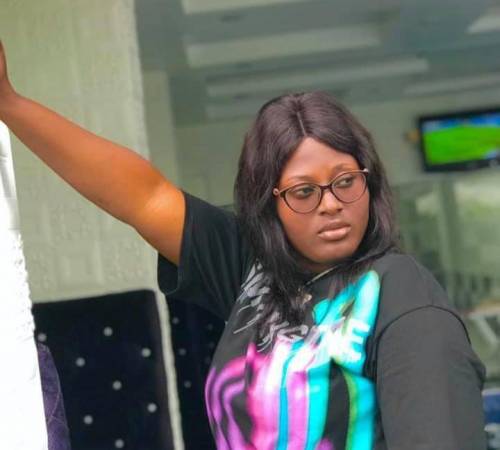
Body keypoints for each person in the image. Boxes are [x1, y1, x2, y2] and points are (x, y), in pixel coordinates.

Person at [0, 40, 487, 449]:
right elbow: (143, 197)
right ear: (268, 204)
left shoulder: (399, 293)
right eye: (303, 192)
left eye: (345, 182)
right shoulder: (255, 271)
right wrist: (11, 104)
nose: (331, 204)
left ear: (370, 182)